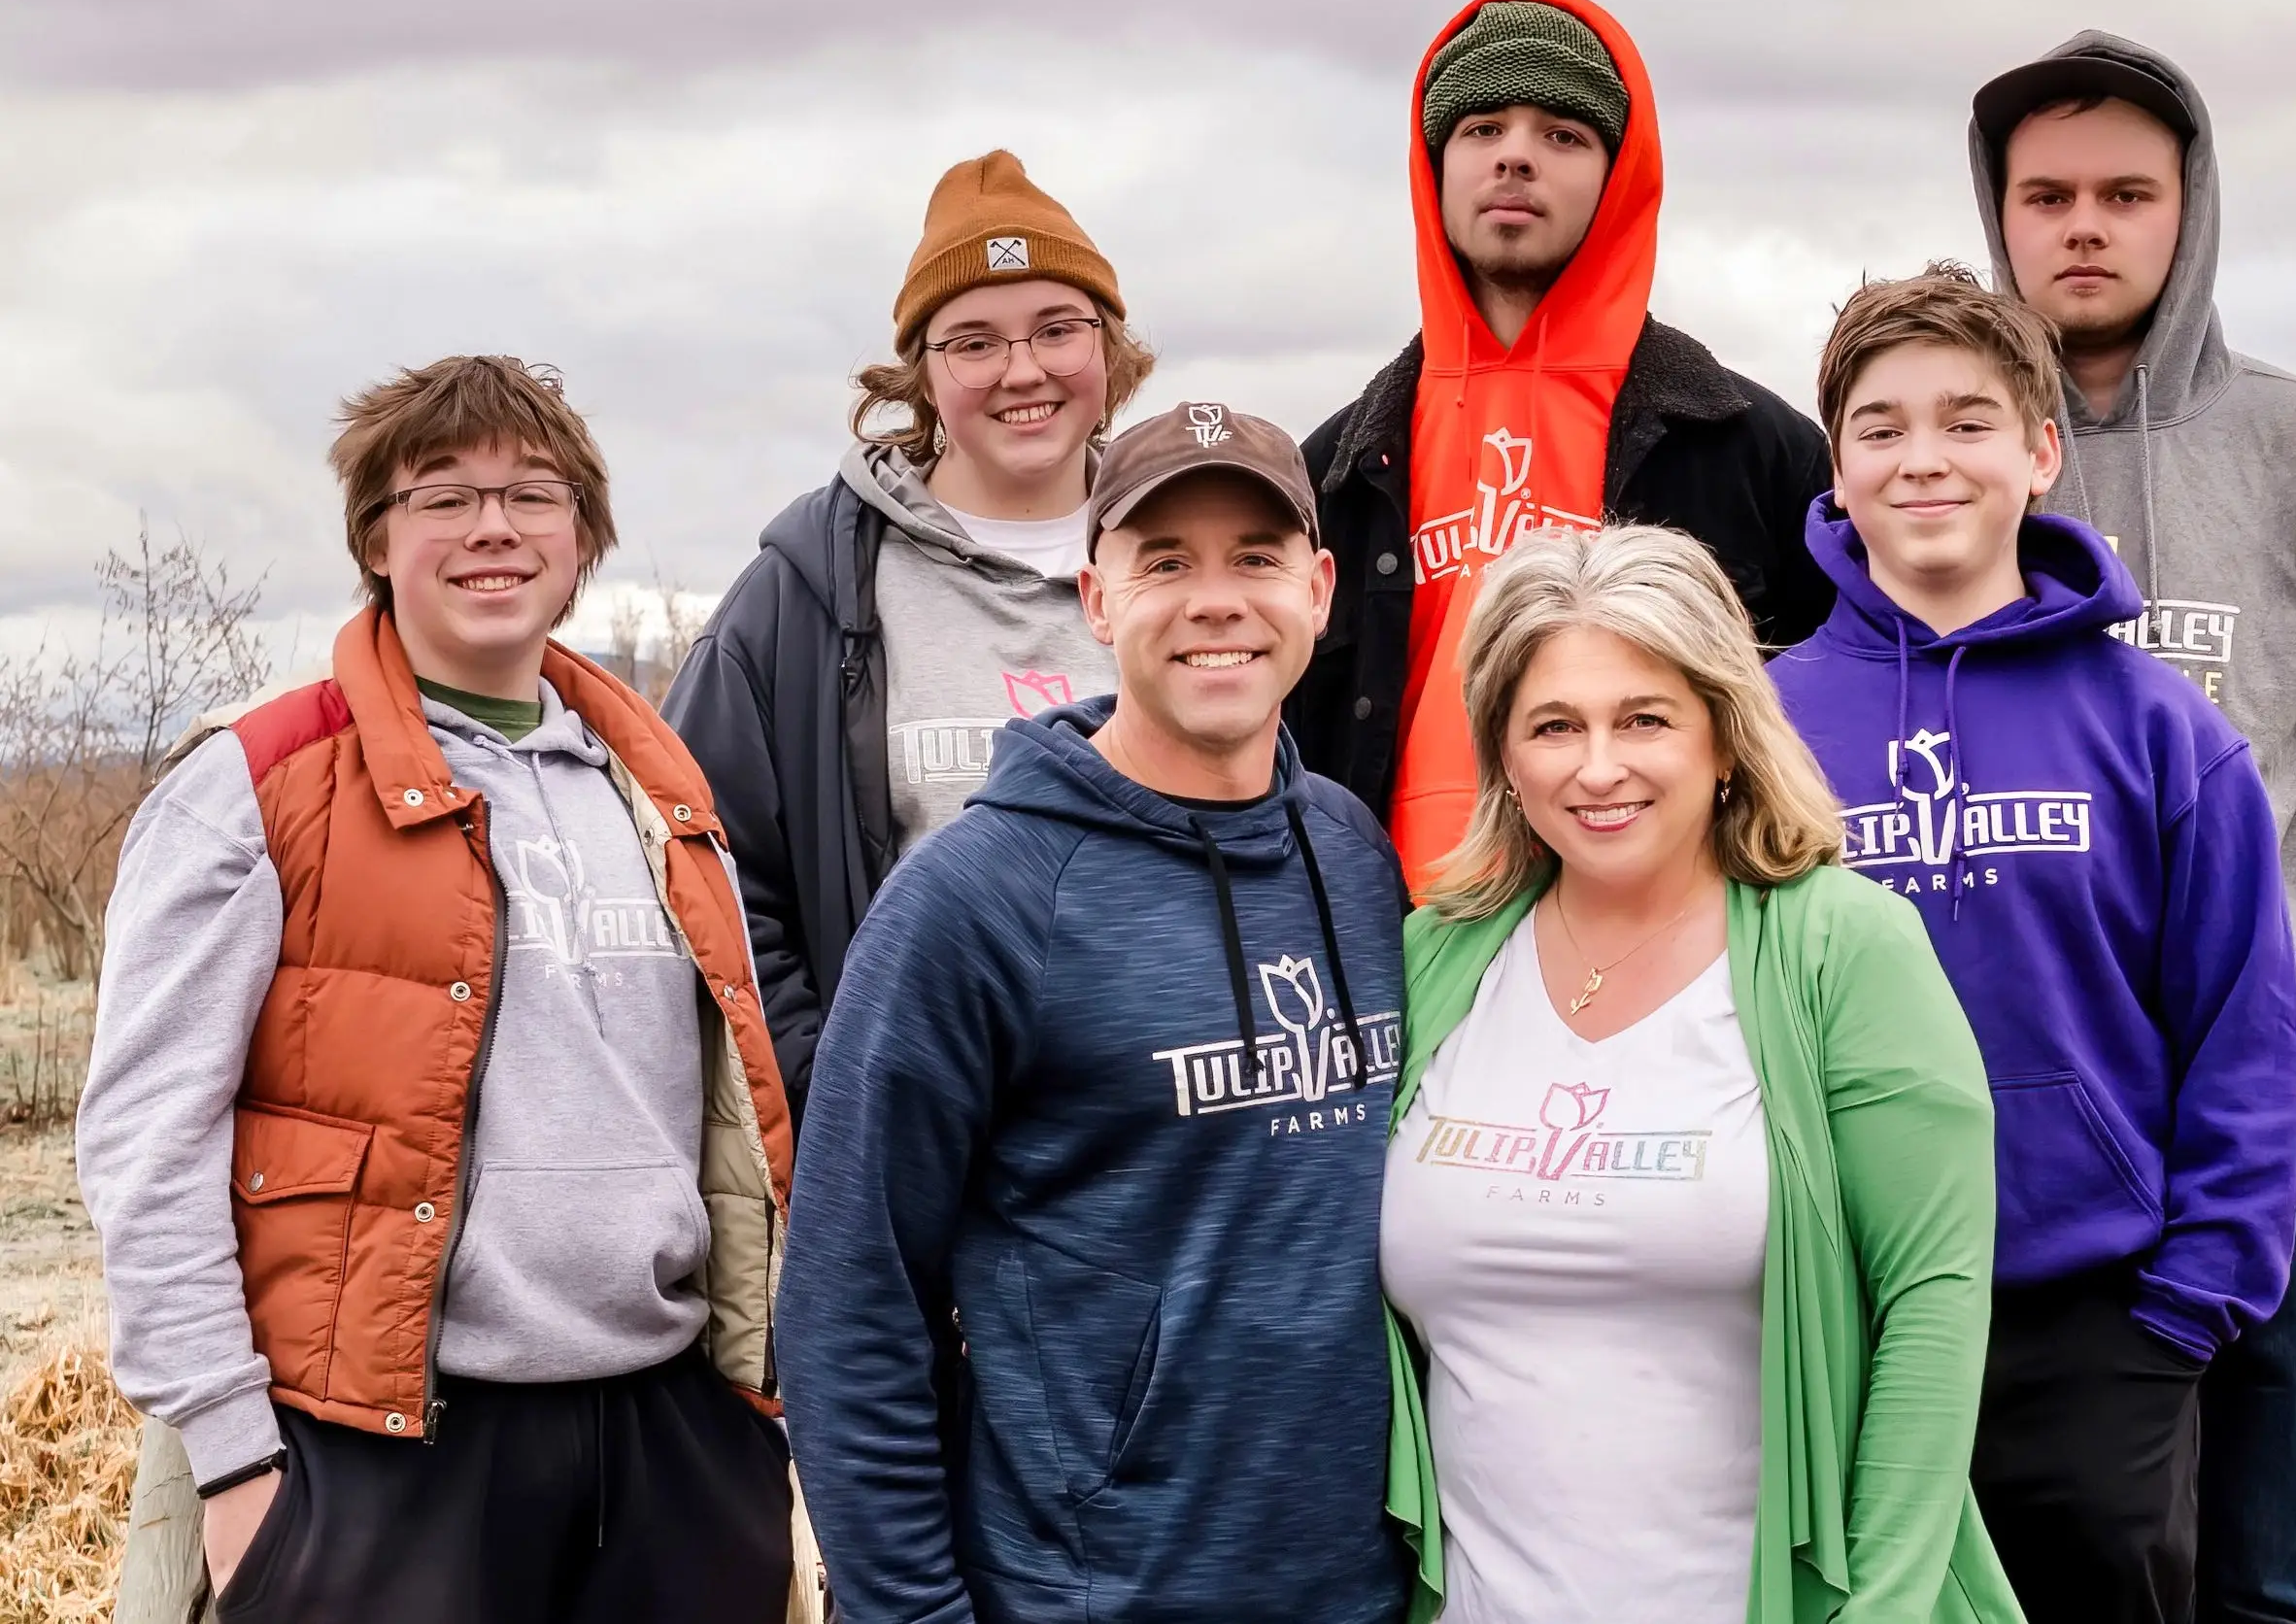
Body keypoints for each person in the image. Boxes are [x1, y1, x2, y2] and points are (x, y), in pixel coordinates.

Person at [78, 355, 801, 1623]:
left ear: (583, 540)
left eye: (532, 494)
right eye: (442, 496)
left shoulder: (662, 790)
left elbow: (727, 1126)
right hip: (376, 1455)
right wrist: (240, 1466)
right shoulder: (257, 783)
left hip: (669, 1438)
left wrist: (746, 1426)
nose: (492, 528)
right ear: (375, 538)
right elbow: (149, 1144)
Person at [784, 403, 1407, 1624]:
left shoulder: (1351, 849)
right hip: (1095, 1591)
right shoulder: (974, 900)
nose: (1215, 599)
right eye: (1165, 561)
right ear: (1096, 596)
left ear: (1321, 590)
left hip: (1365, 1585)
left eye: (1256, 557)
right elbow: (849, 1305)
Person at [1770, 265, 2296, 1622]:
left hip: (2092, 1318)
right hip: (1838, 1315)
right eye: (1881, 425)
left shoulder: (2159, 729)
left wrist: (2186, 1310)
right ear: (1836, 462)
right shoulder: (1760, 723)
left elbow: (2247, 1043)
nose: (1923, 458)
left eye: (1967, 419)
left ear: (2039, 448)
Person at [1969, 33, 2296, 1623]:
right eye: (2045, 194)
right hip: (2005, 1117)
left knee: (2249, 1558)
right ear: (1996, 210)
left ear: (2189, 208)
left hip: (2248, 1103)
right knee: (2025, 1550)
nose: (2080, 225)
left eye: (2122, 192)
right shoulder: (1952, 464)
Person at [1379, 521, 2022, 1624]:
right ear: (1504, 754)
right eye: (1553, 725)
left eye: (1645, 718)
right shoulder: (1439, 957)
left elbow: (1934, 1302)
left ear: (1724, 737)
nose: (1598, 765)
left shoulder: (1842, 946)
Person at [1290, 0, 1836, 891]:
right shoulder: (1331, 475)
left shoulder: (1760, 452)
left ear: (1618, 172)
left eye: (1561, 134)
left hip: (1672, 950)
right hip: (1400, 948)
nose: (1514, 158)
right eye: (1480, 129)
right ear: (1435, 166)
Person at [666, 149, 1149, 1124]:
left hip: (1156, 1142)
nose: (1024, 370)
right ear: (922, 375)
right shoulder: (803, 594)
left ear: (1108, 349)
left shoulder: (1192, 557)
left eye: (1058, 329)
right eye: (974, 342)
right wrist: (845, 1085)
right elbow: (705, 877)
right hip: (914, 1143)